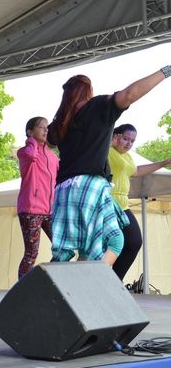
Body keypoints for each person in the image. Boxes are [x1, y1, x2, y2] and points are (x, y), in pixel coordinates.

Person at [47, 67, 171, 265]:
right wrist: (166, 71)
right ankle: (96, 280)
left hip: (64, 189)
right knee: (115, 241)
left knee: (72, 250)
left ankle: (57, 283)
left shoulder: (61, 122)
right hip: (89, 185)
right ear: (88, 91)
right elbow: (129, 94)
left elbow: (50, 142)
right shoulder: (97, 106)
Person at [108, 124, 171, 280]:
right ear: (116, 136)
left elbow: (136, 171)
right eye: (125, 139)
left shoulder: (127, 157)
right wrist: (109, 142)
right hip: (108, 203)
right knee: (113, 243)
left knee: (134, 242)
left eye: (132, 141)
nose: (129, 144)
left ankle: (114, 280)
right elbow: (94, 153)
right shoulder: (107, 150)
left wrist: (163, 162)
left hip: (123, 205)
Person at [16, 116, 59, 279]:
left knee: (62, 248)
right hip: (30, 209)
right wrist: (31, 141)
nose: (46, 130)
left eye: (47, 127)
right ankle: (22, 289)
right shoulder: (25, 152)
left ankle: (46, 280)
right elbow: (31, 155)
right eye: (41, 127)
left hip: (50, 210)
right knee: (32, 253)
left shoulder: (52, 157)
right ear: (30, 131)